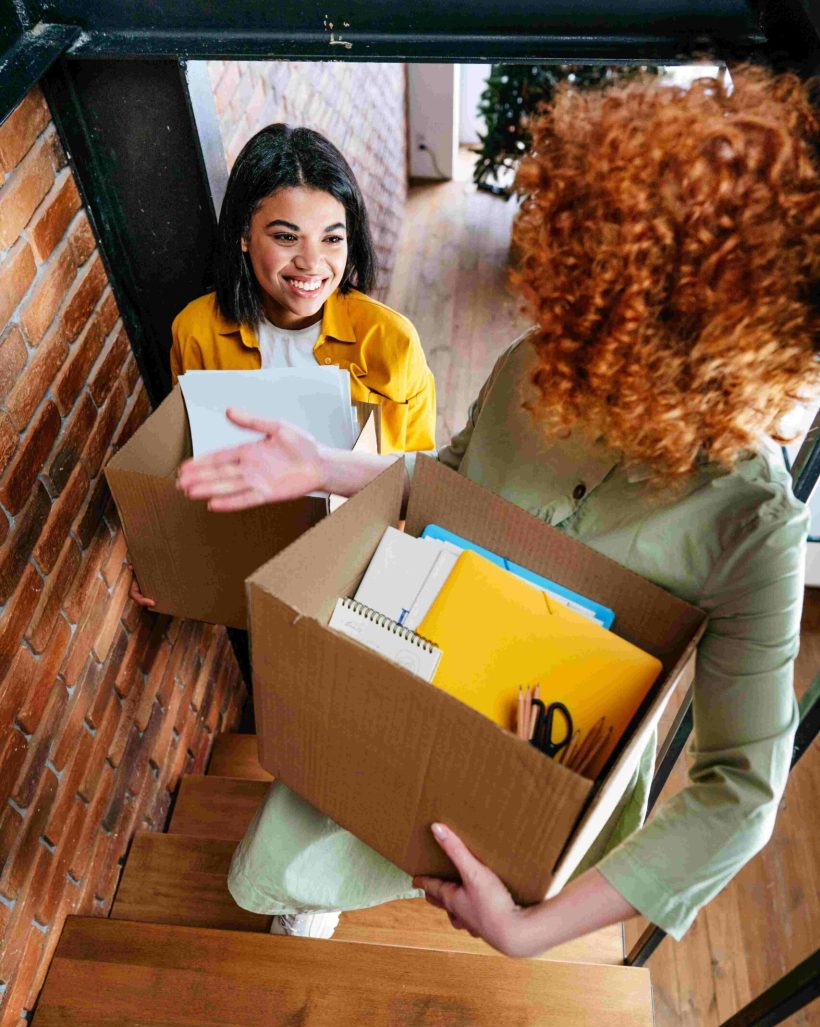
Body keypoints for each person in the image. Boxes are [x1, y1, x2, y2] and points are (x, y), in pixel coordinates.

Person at [177, 67, 818, 955]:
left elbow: (740, 792)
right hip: (413, 662)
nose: (562, 331)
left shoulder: (753, 531)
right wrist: (324, 461)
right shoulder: (540, 362)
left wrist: (532, 929)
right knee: (336, 828)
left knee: (465, 848)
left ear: (729, 348)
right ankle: (317, 889)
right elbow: (447, 478)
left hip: (545, 757)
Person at [132, 123, 437, 703]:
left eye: (333, 238)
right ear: (244, 236)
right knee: (281, 691)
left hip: (355, 570)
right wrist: (168, 556)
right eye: (286, 236)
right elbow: (190, 454)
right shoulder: (196, 330)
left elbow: (418, 469)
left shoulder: (390, 343)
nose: (313, 263)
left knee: (351, 702)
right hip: (251, 561)